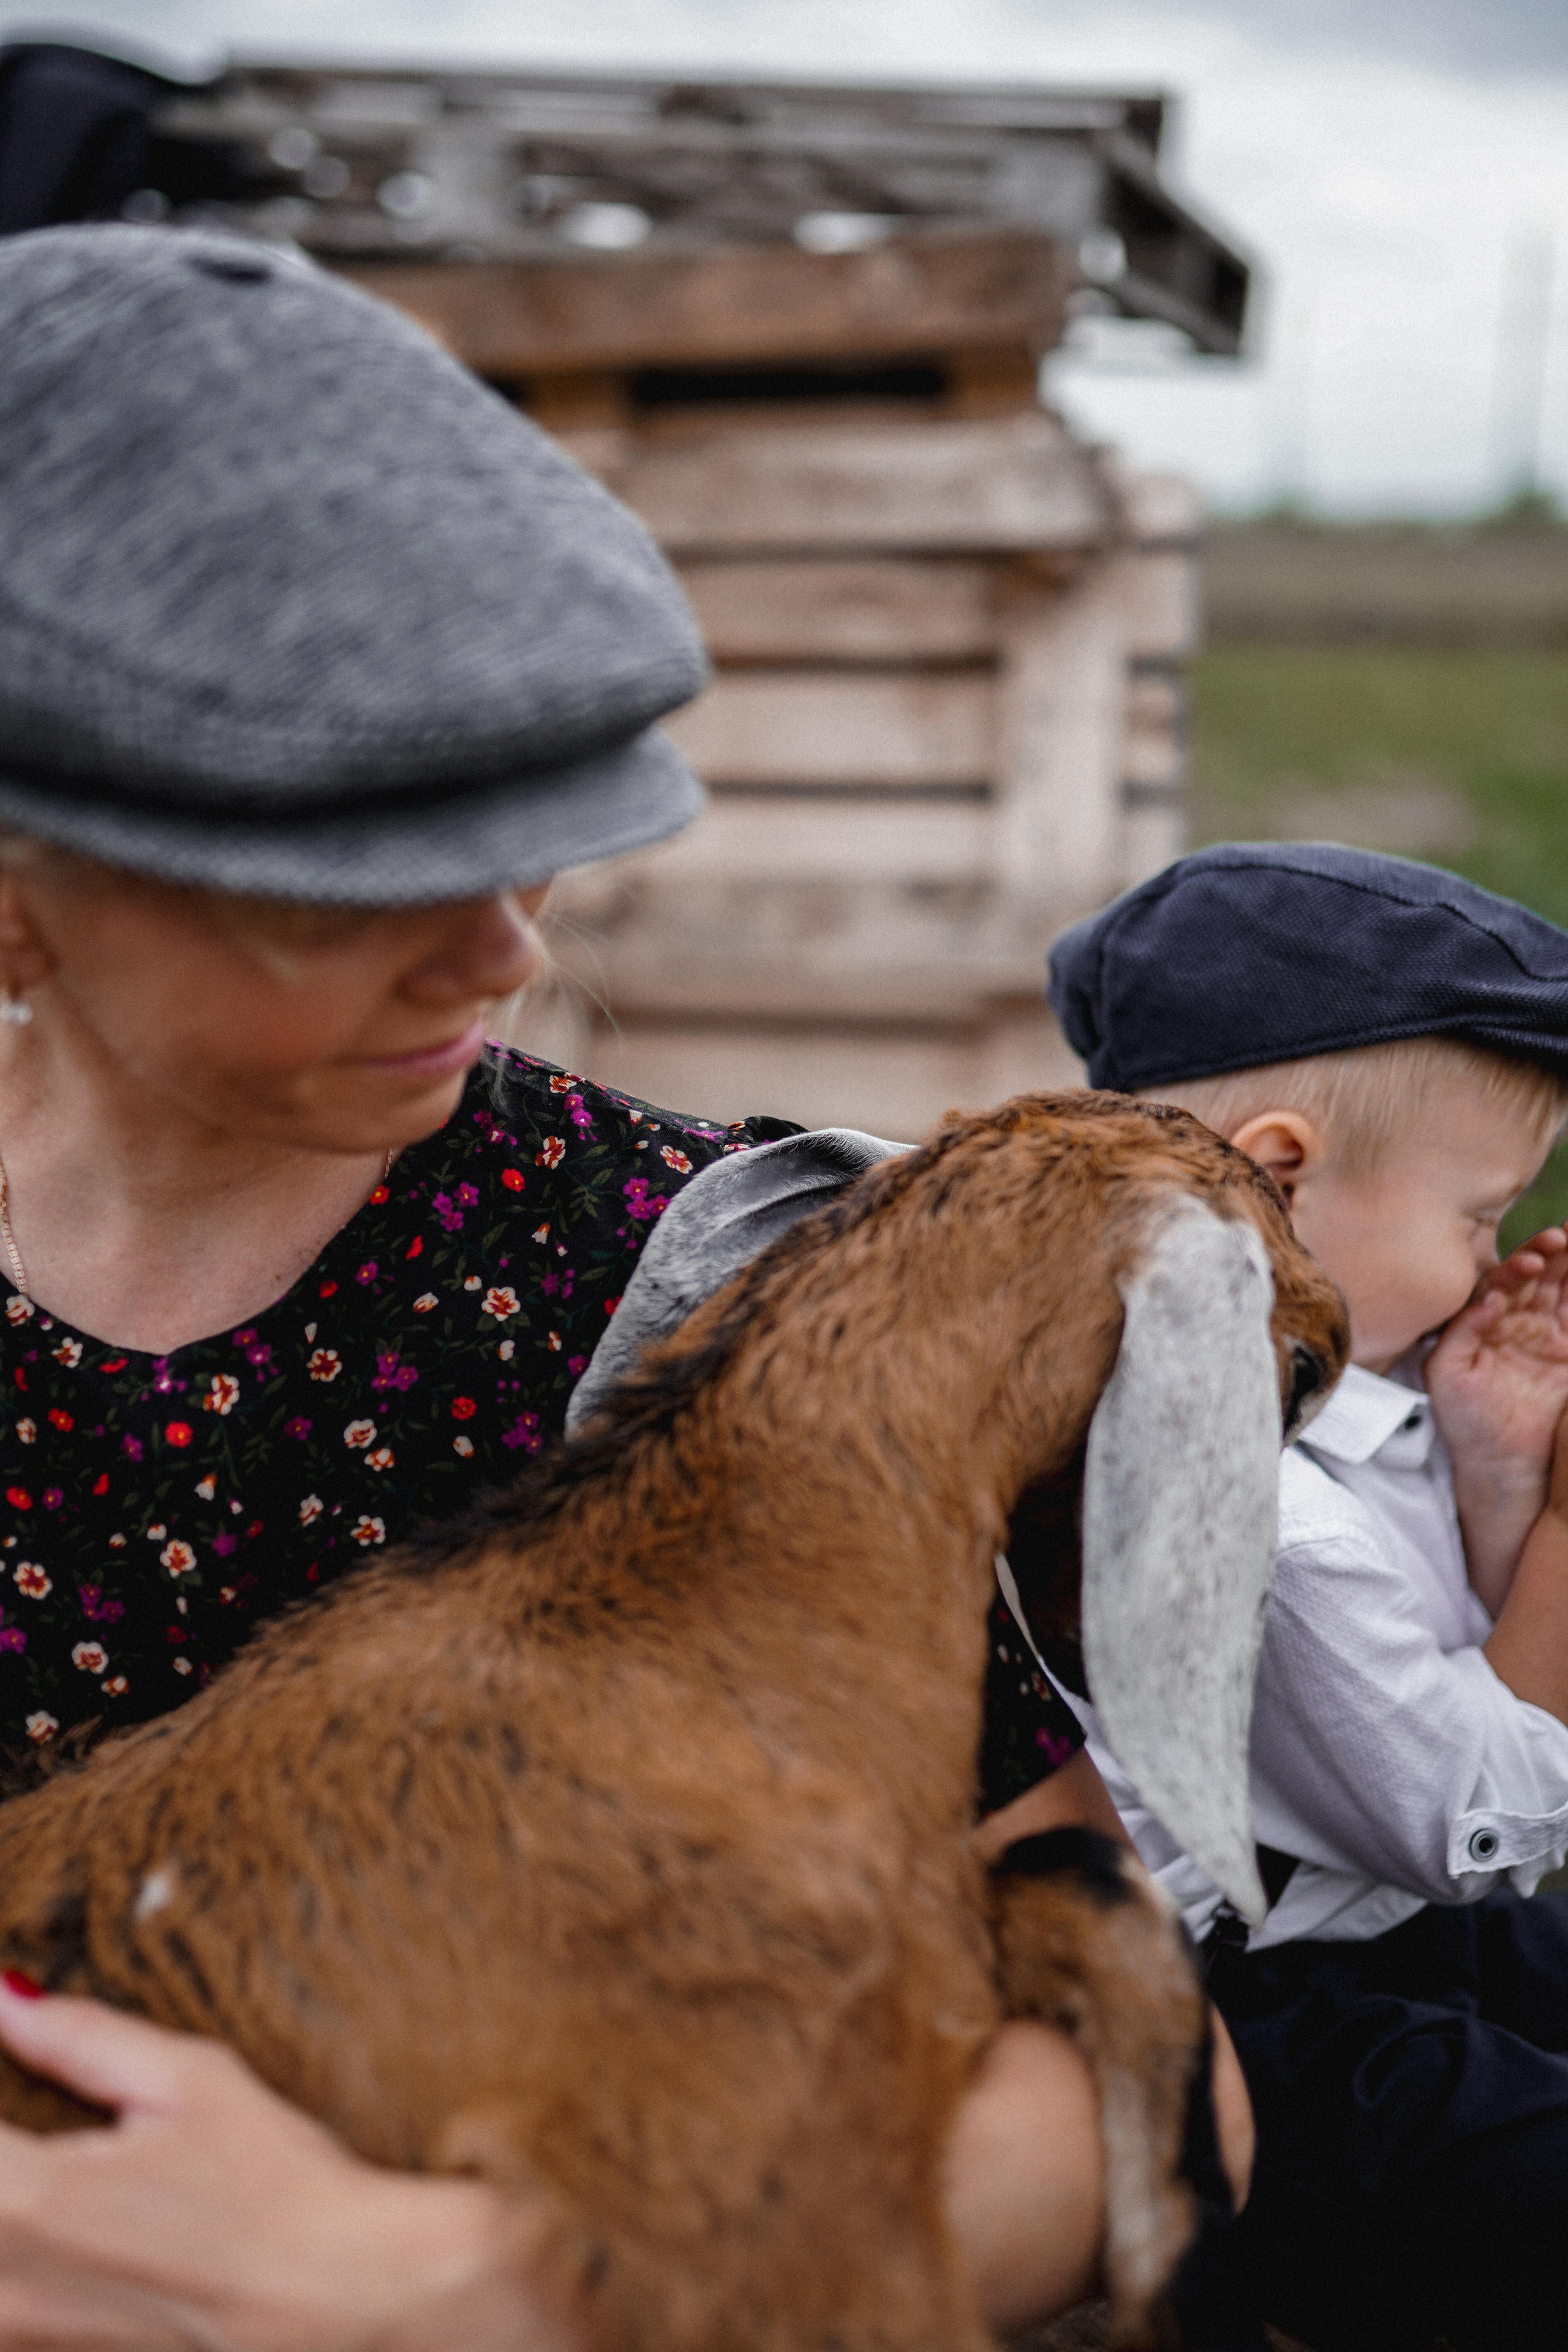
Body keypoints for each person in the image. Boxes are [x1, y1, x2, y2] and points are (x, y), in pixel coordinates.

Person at [0, 220, 1216, 2348]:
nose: (502, 952)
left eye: (525, 835)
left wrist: (450, 2297)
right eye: (346, 882)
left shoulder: (705, 1290)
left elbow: (1138, 2080)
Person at [1049, 841, 1568, 2351]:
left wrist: (1492, 1476)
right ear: (1278, 1177)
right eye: (1474, 1218)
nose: (1486, 1266)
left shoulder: (1316, 1396)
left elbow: (1447, 1671)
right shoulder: (1232, 1492)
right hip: (1212, 2008)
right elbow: (1474, 1816)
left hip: (1339, 1919)